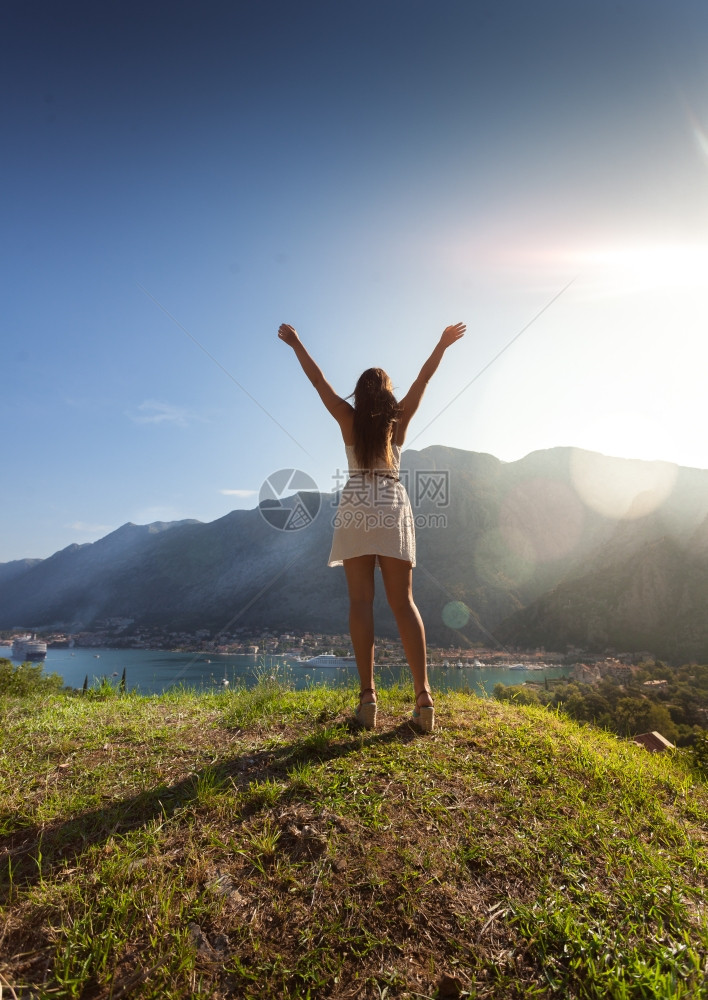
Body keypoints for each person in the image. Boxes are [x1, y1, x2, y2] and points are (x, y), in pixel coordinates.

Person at [278, 321, 466, 731]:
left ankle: (367, 698)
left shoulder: (347, 418)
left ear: (360, 395)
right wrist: (441, 344)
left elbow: (318, 381)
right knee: (404, 603)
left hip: (357, 500)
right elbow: (423, 378)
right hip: (391, 497)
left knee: (360, 603)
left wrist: (297, 343)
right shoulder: (397, 421)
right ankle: (424, 699)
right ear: (386, 392)